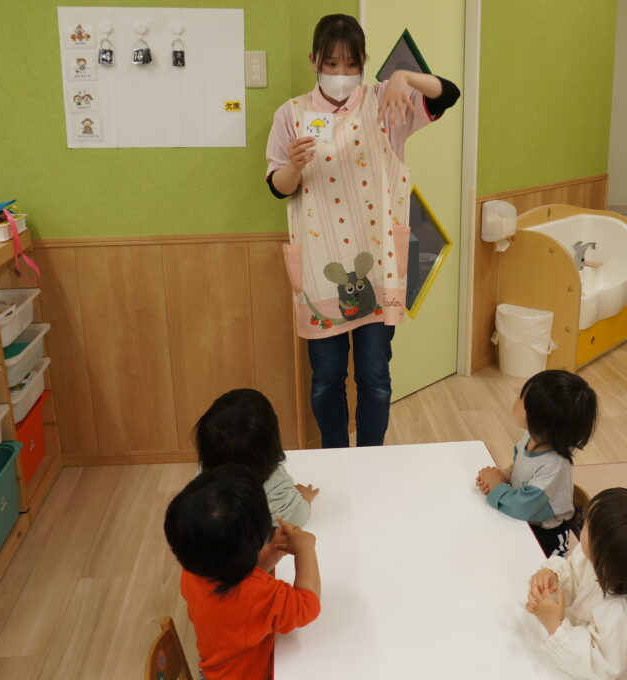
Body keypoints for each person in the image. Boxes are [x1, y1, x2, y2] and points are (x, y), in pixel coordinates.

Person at [265, 13, 460, 448]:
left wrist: (404, 77)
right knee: (326, 378)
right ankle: (335, 456)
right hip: (321, 270)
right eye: (331, 63)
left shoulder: (385, 103)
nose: (341, 74)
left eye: (351, 64)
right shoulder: (291, 114)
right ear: (313, 60)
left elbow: (449, 93)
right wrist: (293, 166)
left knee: (375, 376)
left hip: (378, 267)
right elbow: (278, 188)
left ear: (363, 63)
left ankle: (372, 458)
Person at [165, 464, 321, 680]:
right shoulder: (257, 594)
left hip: (214, 672)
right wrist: (305, 549)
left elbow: (239, 573)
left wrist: (273, 551)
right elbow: (307, 606)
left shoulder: (192, 573)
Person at [525, 487, 627, 680]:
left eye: (587, 525)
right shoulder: (597, 562)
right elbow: (573, 573)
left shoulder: (623, 615)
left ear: (606, 555)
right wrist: (553, 576)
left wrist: (555, 625)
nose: (582, 525)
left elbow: (596, 669)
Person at [476, 370, 598, 557]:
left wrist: (497, 487)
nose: (516, 399)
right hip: (524, 514)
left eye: (521, 399)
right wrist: (504, 476)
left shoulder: (552, 466)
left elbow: (522, 508)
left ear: (538, 419)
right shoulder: (532, 436)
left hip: (545, 537)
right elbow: (520, 464)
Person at [195, 388, 318, 527]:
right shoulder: (277, 493)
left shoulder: (201, 486)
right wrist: (305, 497)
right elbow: (298, 516)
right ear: (271, 444)